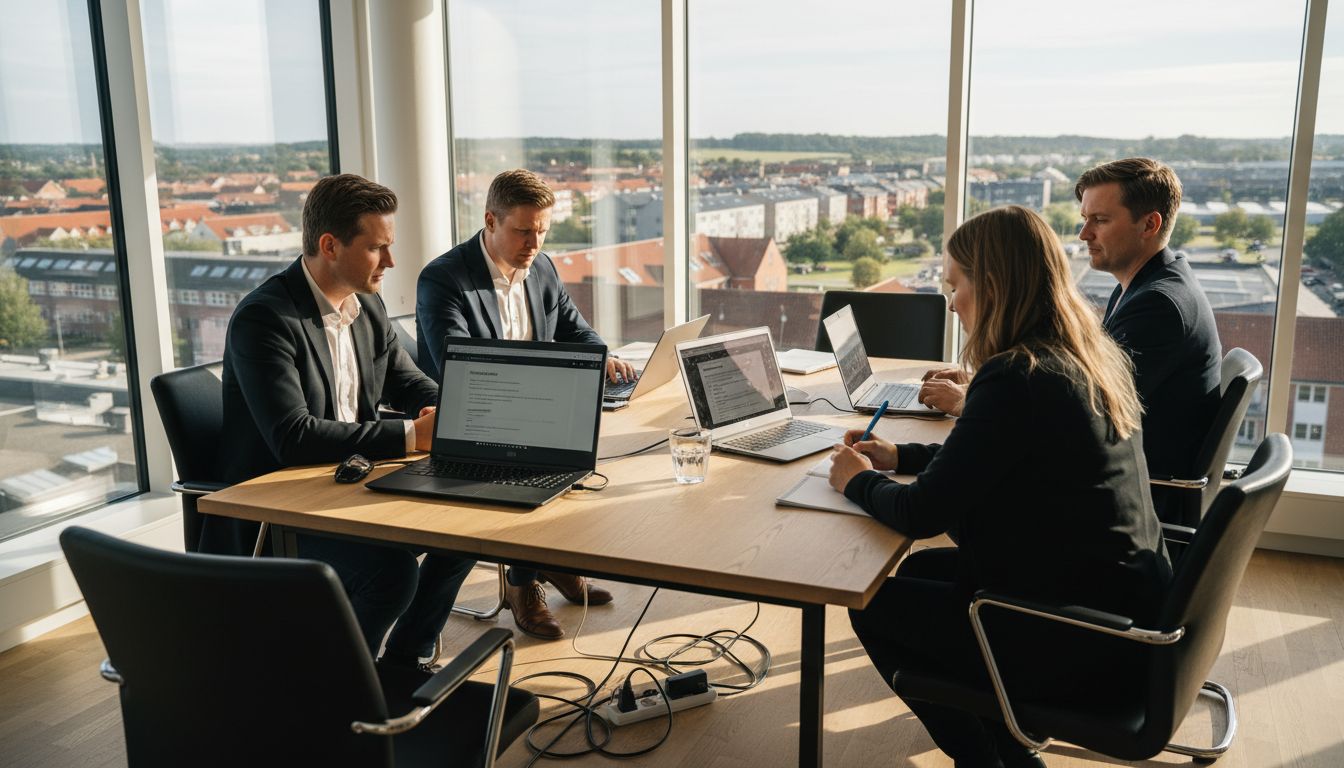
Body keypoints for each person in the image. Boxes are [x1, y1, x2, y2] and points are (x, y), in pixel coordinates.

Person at [828, 206, 1172, 768]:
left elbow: (921, 515)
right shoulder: (1077, 355)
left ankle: (990, 761)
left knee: (872, 605)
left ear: (991, 286)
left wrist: (857, 481)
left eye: (955, 284)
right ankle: (1005, 751)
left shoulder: (1016, 375)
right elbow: (997, 458)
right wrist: (901, 454)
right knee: (914, 574)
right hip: (1121, 608)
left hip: (1075, 632)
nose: (951, 300)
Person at [210, 173, 475, 668]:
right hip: (281, 506)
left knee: (467, 534)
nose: (391, 262)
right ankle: (337, 688)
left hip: (351, 481)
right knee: (390, 573)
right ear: (330, 245)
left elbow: (410, 383)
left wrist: (462, 409)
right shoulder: (265, 320)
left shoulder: (366, 306)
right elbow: (293, 438)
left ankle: (400, 665)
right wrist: (412, 435)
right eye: (378, 249)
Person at [916, 160, 1221, 521]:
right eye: (1085, 218)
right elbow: (1073, 387)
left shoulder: (1160, 306)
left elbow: (1083, 413)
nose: (1083, 234)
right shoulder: (1148, 286)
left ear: (1149, 225)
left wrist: (972, 402)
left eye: (1100, 220)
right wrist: (979, 388)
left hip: (1128, 500)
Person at [416, 168, 625, 640]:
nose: (534, 242)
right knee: (541, 448)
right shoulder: (444, 279)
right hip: (478, 414)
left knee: (580, 452)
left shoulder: (542, 267)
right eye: (523, 230)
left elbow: (574, 326)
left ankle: (552, 559)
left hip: (535, 403)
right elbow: (461, 367)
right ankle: (522, 582)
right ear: (490, 220)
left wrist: (601, 356)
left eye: (543, 230)